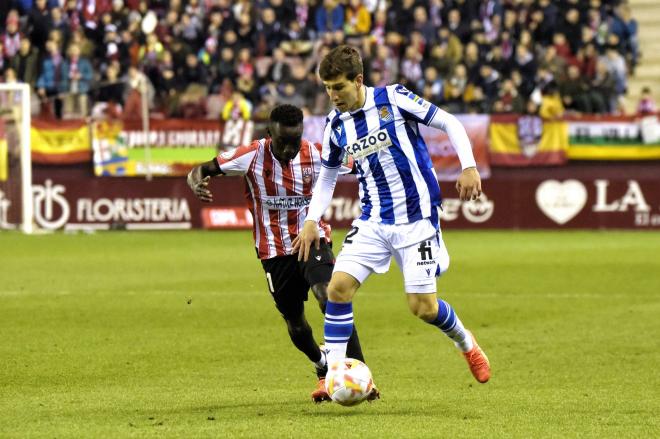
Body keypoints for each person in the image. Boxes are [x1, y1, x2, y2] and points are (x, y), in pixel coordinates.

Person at [293, 45, 491, 387]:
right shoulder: (334, 125)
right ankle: (335, 378)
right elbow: (327, 175)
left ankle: (466, 344)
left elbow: (449, 122)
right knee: (337, 289)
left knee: (424, 309)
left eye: (338, 87)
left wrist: (469, 166)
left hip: (417, 220)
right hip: (372, 220)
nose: (333, 95)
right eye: (327, 88)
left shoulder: (394, 99)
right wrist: (312, 219)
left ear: (358, 80)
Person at [186, 104, 368, 403]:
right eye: (283, 141)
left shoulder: (318, 154)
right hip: (273, 252)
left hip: (313, 240)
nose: (289, 148)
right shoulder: (251, 155)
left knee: (330, 295)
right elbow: (201, 170)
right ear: (270, 134)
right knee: (296, 325)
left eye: (295, 141)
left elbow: (362, 165)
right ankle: (322, 365)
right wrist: (196, 183)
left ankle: (360, 371)